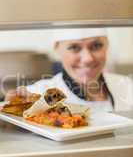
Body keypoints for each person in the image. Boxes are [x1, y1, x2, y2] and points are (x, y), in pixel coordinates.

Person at [5, 28, 133, 112]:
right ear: (57, 49)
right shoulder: (37, 94)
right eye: (74, 47)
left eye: (96, 46)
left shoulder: (127, 85)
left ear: (107, 45)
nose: (88, 58)